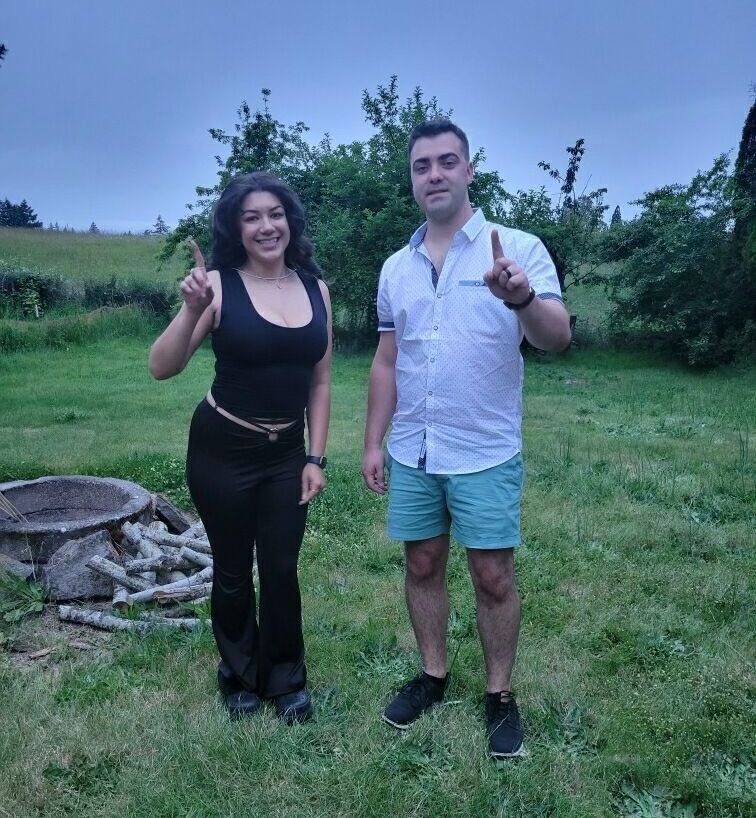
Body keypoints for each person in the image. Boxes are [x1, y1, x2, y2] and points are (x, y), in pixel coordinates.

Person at [361, 119, 571, 758]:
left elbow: (555, 336)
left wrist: (522, 297)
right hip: (415, 449)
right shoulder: (396, 267)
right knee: (421, 563)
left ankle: (499, 695)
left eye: (447, 162)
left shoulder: (519, 250)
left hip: (484, 449)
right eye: (422, 165)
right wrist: (373, 442)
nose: (435, 174)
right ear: (413, 178)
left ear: (470, 170)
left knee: (492, 576)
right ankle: (432, 674)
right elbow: (386, 360)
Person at [149, 172, 332, 723]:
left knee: (280, 567)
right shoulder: (219, 286)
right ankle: (238, 677)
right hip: (222, 449)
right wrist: (190, 309)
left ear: (289, 221)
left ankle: (286, 678)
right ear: (236, 227)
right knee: (232, 570)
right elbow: (163, 367)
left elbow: (320, 381)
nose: (265, 225)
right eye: (251, 217)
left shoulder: (315, 288)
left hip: (286, 456)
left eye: (274, 213)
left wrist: (315, 456)